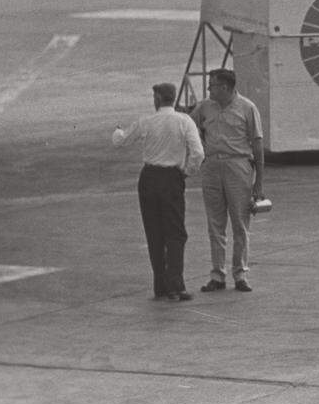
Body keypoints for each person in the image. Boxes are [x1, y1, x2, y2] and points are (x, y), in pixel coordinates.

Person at [112, 83, 204, 301]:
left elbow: (121, 140)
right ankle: (176, 284)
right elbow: (198, 153)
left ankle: (160, 284)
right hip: (172, 178)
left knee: (154, 232)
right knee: (175, 232)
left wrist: (117, 130)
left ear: (159, 98)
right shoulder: (184, 121)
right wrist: (185, 172)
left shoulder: (147, 121)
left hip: (149, 178)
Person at [191, 68, 264, 293]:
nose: (208, 89)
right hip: (212, 165)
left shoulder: (247, 108)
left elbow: (257, 143)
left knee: (240, 223)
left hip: (238, 165)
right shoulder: (204, 107)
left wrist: (259, 182)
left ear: (224, 87)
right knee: (215, 223)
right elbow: (189, 127)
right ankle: (218, 274)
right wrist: (200, 148)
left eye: (211, 85)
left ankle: (240, 273)